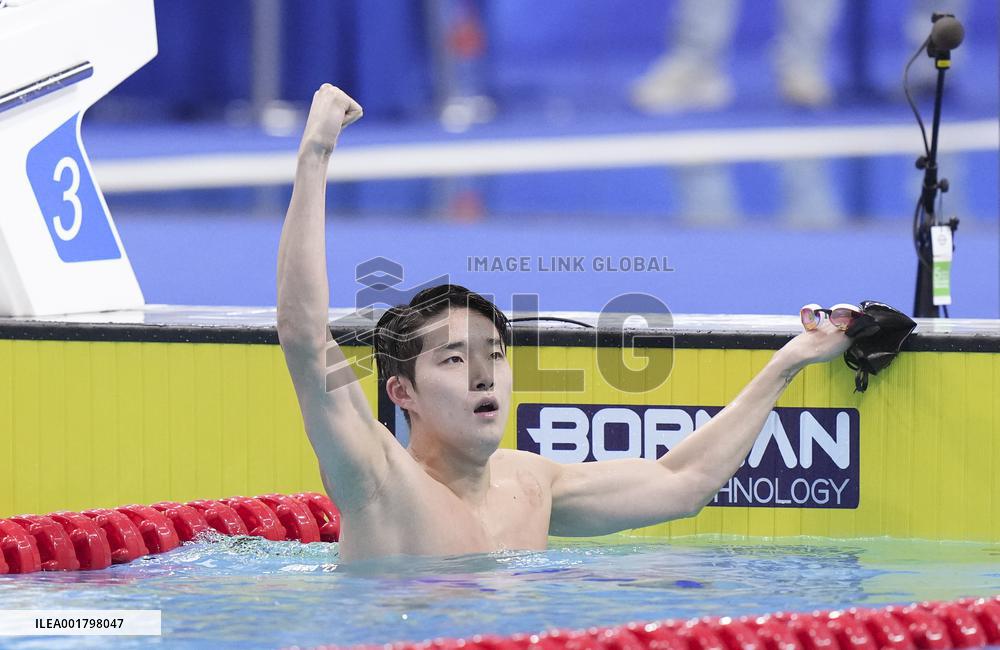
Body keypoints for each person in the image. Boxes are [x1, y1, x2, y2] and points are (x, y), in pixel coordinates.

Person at [276, 85, 852, 563]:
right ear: (403, 392)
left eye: (495, 355)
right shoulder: (377, 482)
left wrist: (791, 359)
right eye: (453, 359)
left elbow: (684, 483)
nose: (484, 377)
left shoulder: (532, 486)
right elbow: (304, 337)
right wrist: (317, 154)